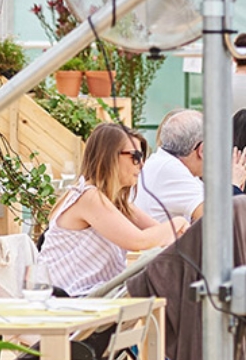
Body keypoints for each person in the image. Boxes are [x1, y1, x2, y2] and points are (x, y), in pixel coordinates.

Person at [40, 123, 189, 297]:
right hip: (67, 298)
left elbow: (159, 233)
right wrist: (179, 222)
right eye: (135, 156)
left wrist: (179, 233)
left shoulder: (114, 201)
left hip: (89, 294)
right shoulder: (88, 196)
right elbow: (138, 241)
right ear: (109, 156)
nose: (141, 164)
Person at [133, 109, 246, 224]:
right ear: (202, 150)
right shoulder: (170, 170)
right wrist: (234, 184)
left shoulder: (165, 163)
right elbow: (223, 222)